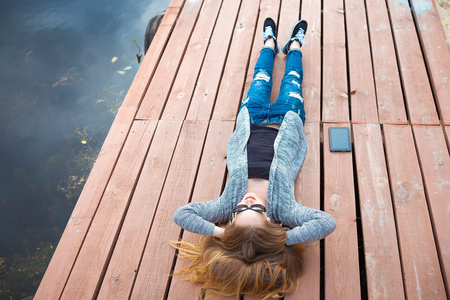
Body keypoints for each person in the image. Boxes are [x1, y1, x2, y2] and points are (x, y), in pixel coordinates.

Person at [172, 18, 336, 299]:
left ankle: (269, 44)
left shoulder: (225, 207)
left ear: (230, 220)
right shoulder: (284, 211)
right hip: (287, 120)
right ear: (271, 222)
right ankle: (295, 46)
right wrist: (282, 239)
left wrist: (223, 234)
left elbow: (182, 215)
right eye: (255, 210)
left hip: (251, 117)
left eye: (239, 213)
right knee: (292, 79)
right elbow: (325, 222)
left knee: (261, 76)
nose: (246, 202)